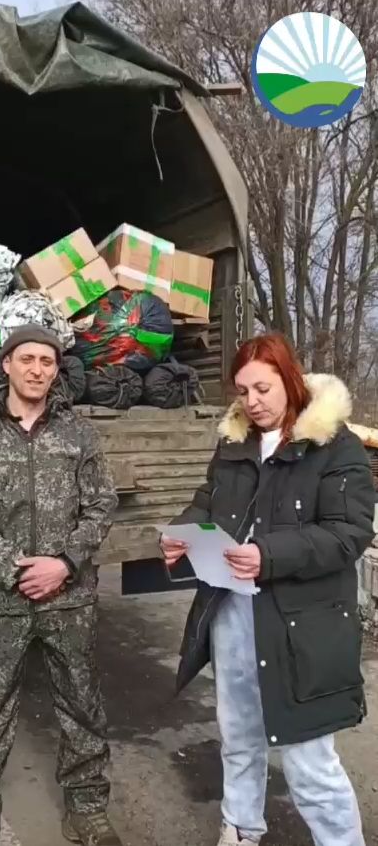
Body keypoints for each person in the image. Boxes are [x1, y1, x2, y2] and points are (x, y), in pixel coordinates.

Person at [161, 333, 374, 846]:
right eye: (242, 391)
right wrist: (183, 533)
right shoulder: (234, 443)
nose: (252, 402)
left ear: (290, 380)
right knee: (238, 737)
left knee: (308, 757)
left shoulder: (335, 446)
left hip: (303, 625)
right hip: (233, 612)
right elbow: (207, 501)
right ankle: (240, 828)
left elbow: (348, 533)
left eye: (263, 388)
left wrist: (269, 555)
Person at [0, 325, 121, 846]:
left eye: (47, 361)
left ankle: (87, 810)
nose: (37, 369)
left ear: (56, 369)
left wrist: (64, 563)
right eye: (27, 359)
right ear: (7, 364)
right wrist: (18, 569)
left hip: (69, 599)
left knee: (82, 705)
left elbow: (101, 506)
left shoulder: (79, 434)